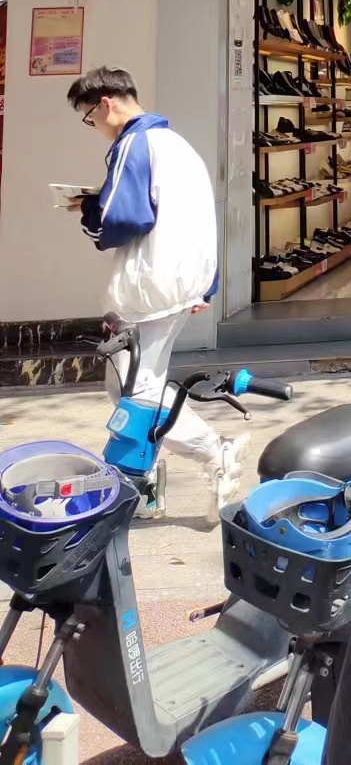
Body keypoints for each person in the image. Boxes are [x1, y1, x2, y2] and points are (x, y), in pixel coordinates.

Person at [67, 65, 244, 521]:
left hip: (150, 286)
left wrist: (88, 210)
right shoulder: (176, 144)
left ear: (105, 104)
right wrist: (206, 284)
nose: (93, 125)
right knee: (135, 384)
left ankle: (213, 453)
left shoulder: (133, 142)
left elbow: (123, 219)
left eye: (88, 116)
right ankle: (149, 480)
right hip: (177, 281)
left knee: (135, 391)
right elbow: (200, 217)